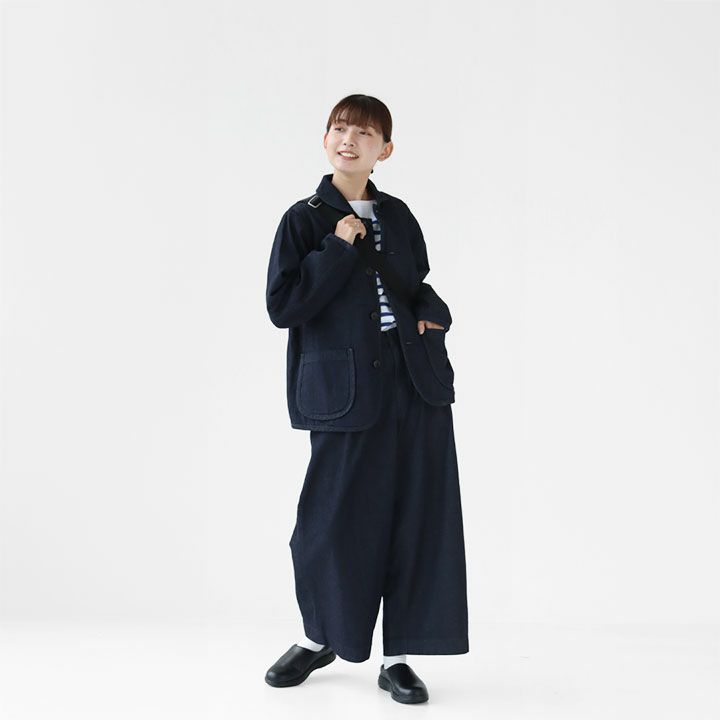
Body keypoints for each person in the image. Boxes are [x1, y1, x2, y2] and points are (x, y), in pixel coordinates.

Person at [264, 94, 468, 704]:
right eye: (339, 128)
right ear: (325, 138)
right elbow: (284, 306)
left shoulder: (398, 215)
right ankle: (319, 636)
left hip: (413, 380)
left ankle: (398, 657)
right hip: (345, 389)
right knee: (330, 523)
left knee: (415, 519)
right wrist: (336, 247)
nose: (348, 140)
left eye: (364, 133)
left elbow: (415, 285)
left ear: (386, 150)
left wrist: (434, 313)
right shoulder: (303, 219)